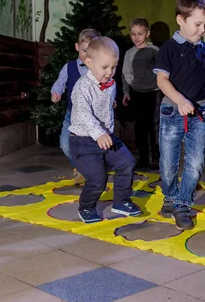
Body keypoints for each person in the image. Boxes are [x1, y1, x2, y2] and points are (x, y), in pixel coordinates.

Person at [154, 0, 205, 230]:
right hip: (171, 112)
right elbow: (162, 81)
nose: (203, 29)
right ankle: (170, 196)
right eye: (198, 24)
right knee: (168, 164)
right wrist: (181, 100)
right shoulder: (168, 48)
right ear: (181, 20)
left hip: (199, 113)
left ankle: (183, 204)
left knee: (195, 163)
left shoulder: (204, 48)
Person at [68, 37, 141, 223]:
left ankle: (121, 202)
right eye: (105, 67)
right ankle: (86, 207)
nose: (110, 72)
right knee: (98, 179)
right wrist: (98, 132)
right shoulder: (82, 87)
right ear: (89, 63)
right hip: (84, 141)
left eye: (114, 67)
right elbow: (83, 113)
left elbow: (104, 103)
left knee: (127, 162)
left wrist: (111, 104)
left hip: (106, 137)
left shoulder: (111, 83)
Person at [51, 29, 101, 185]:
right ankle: (79, 167)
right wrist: (56, 93)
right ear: (77, 47)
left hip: (94, 115)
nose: (87, 55)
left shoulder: (99, 68)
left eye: (91, 51)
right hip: (72, 115)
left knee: (93, 146)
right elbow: (59, 84)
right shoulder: (69, 67)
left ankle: (90, 169)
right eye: (84, 50)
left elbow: (108, 85)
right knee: (65, 144)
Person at [122, 17, 161, 168]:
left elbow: (162, 73)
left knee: (155, 126)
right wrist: (126, 92)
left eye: (140, 34)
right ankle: (143, 156)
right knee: (140, 127)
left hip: (153, 93)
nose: (136, 37)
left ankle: (156, 156)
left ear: (147, 33)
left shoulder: (154, 51)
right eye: (133, 34)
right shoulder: (129, 54)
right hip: (136, 93)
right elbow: (125, 74)